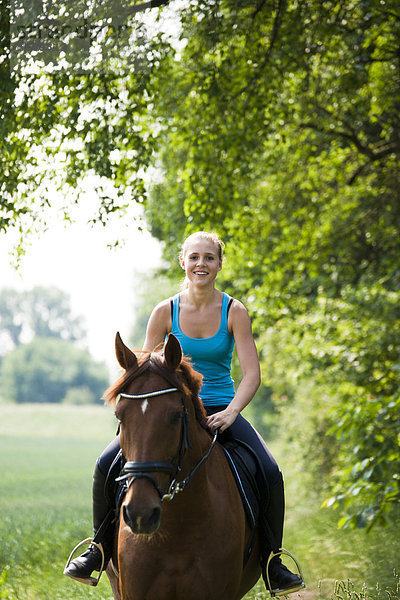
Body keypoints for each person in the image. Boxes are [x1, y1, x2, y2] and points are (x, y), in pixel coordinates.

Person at [64, 231, 303, 594]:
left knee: (270, 470)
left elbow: (251, 374)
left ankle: (273, 561)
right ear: (183, 262)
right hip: (169, 408)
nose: (201, 264)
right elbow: (144, 368)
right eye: (194, 257)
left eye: (209, 258)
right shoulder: (165, 311)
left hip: (221, 407)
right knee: (105, 463)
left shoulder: (234, 311)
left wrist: (233, 412)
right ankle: (97, 549)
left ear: (219, 264)